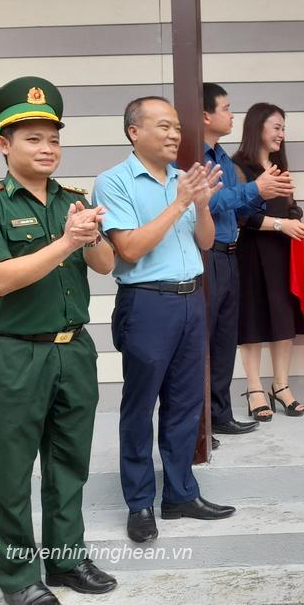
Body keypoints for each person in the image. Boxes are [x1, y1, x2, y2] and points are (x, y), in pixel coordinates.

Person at [0, 77, 117, 605]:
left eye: (54, 139)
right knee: (10, 469)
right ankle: (18, 577)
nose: (48, 149)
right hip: (15, 353)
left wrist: (89, 236)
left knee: (70, 462)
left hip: (74, 350)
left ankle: (67, 559)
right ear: (4, 145)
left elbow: (105, 264)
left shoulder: (74, 200)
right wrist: (66, 241)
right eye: (33, 139)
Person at [93, 96, 234, 544]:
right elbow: (129, 249)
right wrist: (179, 203)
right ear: (134, 132)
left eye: (176, 126)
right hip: (147, 303)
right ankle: (139, 503)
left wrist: (203, 205)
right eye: (164, 126)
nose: (175, 134)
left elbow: (205, 242)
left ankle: (180, 494)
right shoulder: (114, 182)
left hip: (191, 300)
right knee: (140, 407)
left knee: (185, 404)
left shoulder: (182, 179)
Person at [202, 84, 294, 441]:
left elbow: (237, 205)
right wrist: (258, 190)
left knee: (225, 339)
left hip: (229, 253)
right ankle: (204, 420)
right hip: (212, 254)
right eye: (226, 108)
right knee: (210, 340)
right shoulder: (199, 157)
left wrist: (265, 195)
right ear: (205, 115)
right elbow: (211, 202)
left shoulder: (222, 159)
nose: (231, 115)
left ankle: (220, 414)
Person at [232, 102, 304, 419]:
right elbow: (239, 215)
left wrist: (295, 219)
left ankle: (281, 386)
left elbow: (291, 206)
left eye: (283, 128)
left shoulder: (279, 166)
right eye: (277, 127)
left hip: (282, 252)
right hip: (251, 252)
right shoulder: (238, 166)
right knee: (251, 319)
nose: (281, 134)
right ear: (257, 127)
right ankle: (254, 389)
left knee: (283, 319)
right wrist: (281, 224)